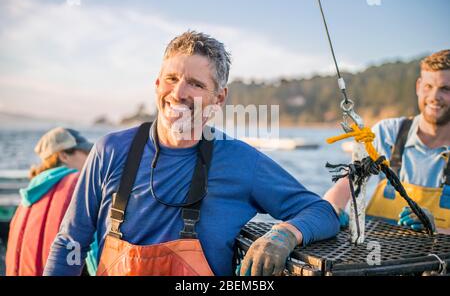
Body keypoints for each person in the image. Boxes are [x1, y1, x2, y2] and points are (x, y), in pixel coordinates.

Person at [43, 31, 339, 276]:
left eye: (196, 84)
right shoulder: (110, 151)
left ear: (219, 98)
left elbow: (322, 212)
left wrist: (284, 234)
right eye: (171, 78)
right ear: (157, 83)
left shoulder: (241, 161)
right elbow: (71, 241)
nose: (178, 93)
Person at [324, 49, 450, 234]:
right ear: (418, 86)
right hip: (376, 254)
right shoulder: (388, 133)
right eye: (428, 86)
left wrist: (434, 228)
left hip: (436, 258)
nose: (434, 97)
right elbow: (348, 182)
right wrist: (331, 210)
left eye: (446, 89)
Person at [5, 127, 97, 275]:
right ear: (64, 156)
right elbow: (95, 257)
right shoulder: (80, 185)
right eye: (87, 153)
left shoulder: (29, 194)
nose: (92, 159)